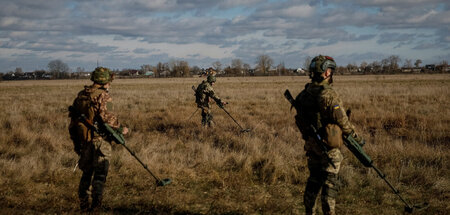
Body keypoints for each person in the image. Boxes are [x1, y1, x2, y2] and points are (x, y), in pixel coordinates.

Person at [294, 55, 364, 215]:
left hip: (312, 145)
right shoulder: (328, 95)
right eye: (330, 71)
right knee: (330, 185)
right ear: (326, 73)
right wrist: (358, 139)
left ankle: (309, 212)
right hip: (328, 147)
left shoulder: (304, 94)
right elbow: (343, 123)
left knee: (313, 181)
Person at [68, 67, 128, 211]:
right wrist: (121, 129)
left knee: (86, 174)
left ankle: (83, 205)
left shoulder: (82, 95)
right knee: (100, 175)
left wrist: (76, 143)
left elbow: (73, 122)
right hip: (100, 141)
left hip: (85, 141)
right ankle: (95, 207)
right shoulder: (103, 96)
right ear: (106, 81)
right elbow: (109, 118)